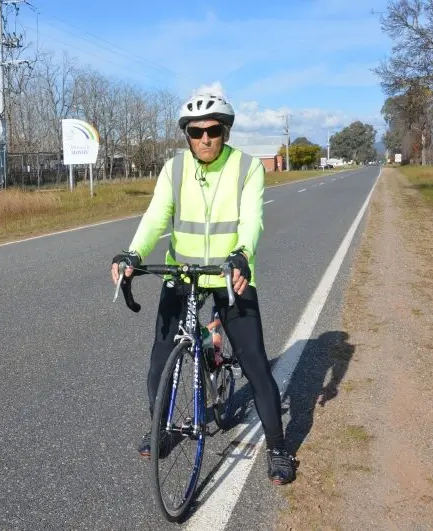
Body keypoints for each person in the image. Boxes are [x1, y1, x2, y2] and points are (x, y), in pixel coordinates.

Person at [110, 89, 297, 485]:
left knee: (255, 363)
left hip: (232, 274)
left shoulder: (247, 168)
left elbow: (252, 221)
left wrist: (243, 254)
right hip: (183, 274)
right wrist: (133, 254)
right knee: (160, 359)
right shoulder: (174, 169)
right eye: (196, 132)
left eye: (213, 130)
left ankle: (279, 447)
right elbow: (156, 216)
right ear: (187, 135)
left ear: (225, 132)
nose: (206, 139)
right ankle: (160, 428)